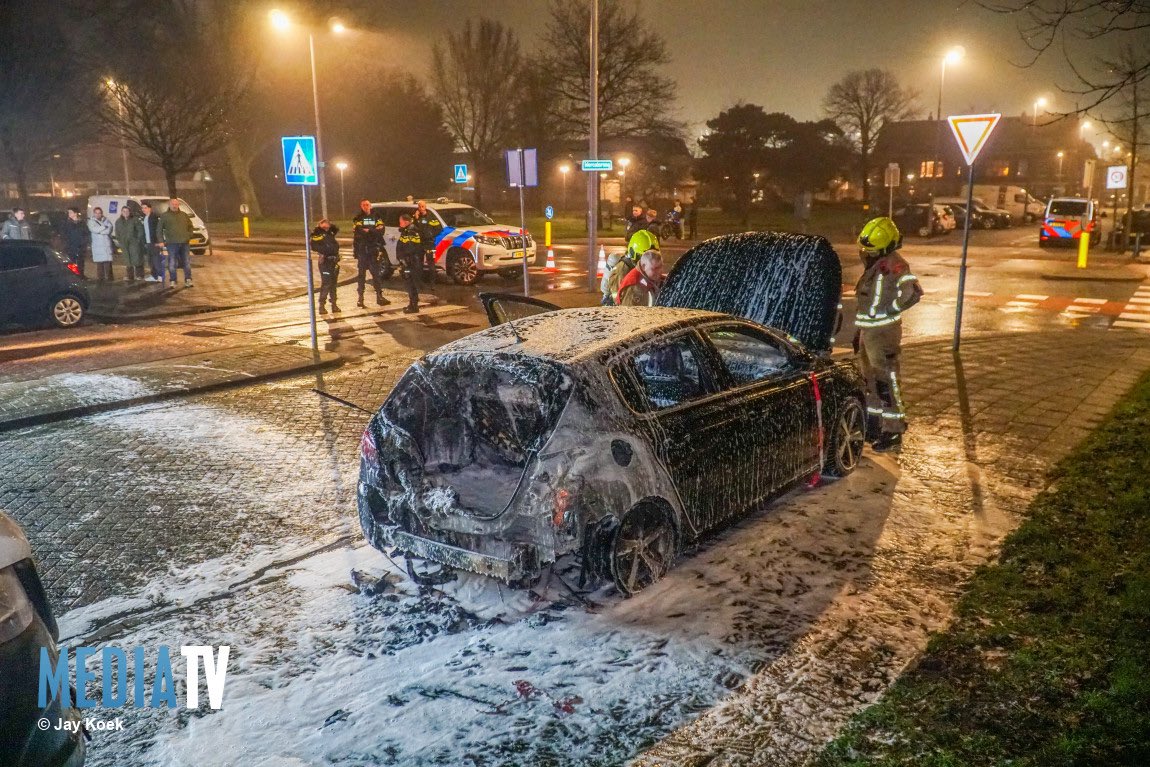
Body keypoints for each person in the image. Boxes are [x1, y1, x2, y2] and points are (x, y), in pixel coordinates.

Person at [853, 216, 923, 453]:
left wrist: (889, 310)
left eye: (871, 250)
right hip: (869, 332)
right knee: (869, 380)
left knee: (886, 381)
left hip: (883, 334)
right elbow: (866, 301)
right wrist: (859, 331)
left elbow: (912, 292)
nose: (866, 253)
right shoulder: (876, 263)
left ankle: (893, 430)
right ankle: (874, 425)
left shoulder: (895, 265)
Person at [351, 198, 386, 308]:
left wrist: (369, 231)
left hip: (373, 250)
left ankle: (379, 297)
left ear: (370, 205)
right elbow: (359, 231)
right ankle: (360, 299)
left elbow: (382, 230)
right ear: (361, 206)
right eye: (364, 205)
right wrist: (374, 231)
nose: (366, 207)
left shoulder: (376, 216)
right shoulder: (358, 217)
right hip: (362, 250)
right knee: (361, 276)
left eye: (367, 204)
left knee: (376, 274)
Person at [158, 198, 194, 287]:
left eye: (176, 204)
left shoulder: (184, 215)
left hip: (184, 243)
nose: (174, 206)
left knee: (186, 262)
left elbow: (190, 226)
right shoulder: (165, 216)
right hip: (172, 243)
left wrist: (189, 235)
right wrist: (161, 240)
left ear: (178, 205)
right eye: (173, 204)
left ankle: (188, 279)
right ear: (169, 205)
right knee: (172, 263)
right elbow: (159, 229)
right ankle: (173, 280)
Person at [310, 218, 341, 313]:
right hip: (325, 262)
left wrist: (329, 225)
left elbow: (336, 229)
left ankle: (334, 305)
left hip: (333, 262)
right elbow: (313, 246)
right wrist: (319, 228)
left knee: (333, 284)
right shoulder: (317, 234)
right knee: (326, 283)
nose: (326, 227)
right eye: (324, 225)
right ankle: (321, 306)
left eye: (327, 225)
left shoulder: (330, 233)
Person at [395, 213, 422, 314]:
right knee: (410, 283)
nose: (399, 224)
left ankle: (413, 306)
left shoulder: (410, 232)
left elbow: (409, 248)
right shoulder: (407, 231)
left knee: (411, 284)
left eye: (401, 222)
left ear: (406, 222)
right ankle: (412, 304)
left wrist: (404, 259)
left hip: (410, 262)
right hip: (410, 261)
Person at [411, 200, 442, 285]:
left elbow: (439, 229)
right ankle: (419, 282)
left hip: (430, 243)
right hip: (419, 243)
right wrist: (416, 218)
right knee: (418, 263)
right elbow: (414, 228)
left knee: (431, 263)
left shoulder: (431, 217)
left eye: (422, 206)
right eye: (419, 206)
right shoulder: (415, 217)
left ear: (425, 207)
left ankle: (432, 283)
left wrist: (431, 235)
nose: (421, 208)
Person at [114, 206, 146, 282]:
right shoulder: (118, 221)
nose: (125, 213)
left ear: (130, 212)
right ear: (121, 212)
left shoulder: (135, 220)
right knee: (127, 259)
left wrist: (137, 240)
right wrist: (120, 241)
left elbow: (140, 230)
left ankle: (140, 275)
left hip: (134, 243)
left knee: (137, 258)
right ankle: (130, 276)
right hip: (124, 243)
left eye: (127, 211)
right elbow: (117, 232)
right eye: (124, 211)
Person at [88, 207, 115, 281]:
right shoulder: (91, 221)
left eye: (99, 213)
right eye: (96, 213)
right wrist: (104, 227)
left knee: (108, 263)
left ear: (101, 213)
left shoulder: (106, 220)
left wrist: (100, 231)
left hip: (106, 245)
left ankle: (109, 278)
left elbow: (109, 230)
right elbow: (94, 229)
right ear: (94, 213)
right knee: (99, 263)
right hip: (98, 246)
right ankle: (101, 279)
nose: (98, 214)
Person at [140, 202, 164, 281]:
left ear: (150, 208)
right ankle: (154, 276)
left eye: (145, 208)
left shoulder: (154, 217)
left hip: (154, 242)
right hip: (148, 242)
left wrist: (159, 241)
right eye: (142, 208)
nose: (143, 209)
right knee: (150, 260)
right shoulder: (145, 218)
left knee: (156, 259)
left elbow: (158, 230)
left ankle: (160, 276)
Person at [62, 208, 89, 277]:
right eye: (68, 212)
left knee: (81, 261)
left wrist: (84, 242)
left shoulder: (82, 223)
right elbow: (64, 234)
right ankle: (73, 275)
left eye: (70, 212)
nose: (69, 214)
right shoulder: (67, 223)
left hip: (81, 245)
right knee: (72, 261)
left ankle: (81, 275)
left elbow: (86, 233)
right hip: (71, 245)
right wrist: (67, 243)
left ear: (75, 213)